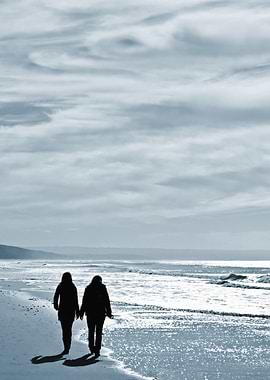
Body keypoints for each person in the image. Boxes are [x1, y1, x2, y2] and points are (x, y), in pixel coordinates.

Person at [80, 275, 112, 358]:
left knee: (91, 331)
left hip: (90, 313)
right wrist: (109, 312)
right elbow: (106, 301)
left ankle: (91, 348)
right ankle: (97, 349)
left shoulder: (88, 288)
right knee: (99, 332)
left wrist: (81, 312)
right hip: (100, 314)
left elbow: (84, 301)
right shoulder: (102, 288)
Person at [53, 272, 79, 355]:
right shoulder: (73, 286)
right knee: (69, 329)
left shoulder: (61, 286)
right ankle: (68, 346)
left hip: (63, 311)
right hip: (71, 311)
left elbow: (56, 296)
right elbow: (76, 300)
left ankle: (66, 347)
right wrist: (77, 311)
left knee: (64, 330)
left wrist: (56, 306)